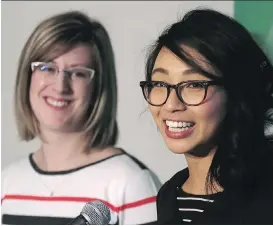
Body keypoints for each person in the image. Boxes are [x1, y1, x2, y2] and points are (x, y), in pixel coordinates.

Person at [1, 10, 161, 225]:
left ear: (98, 87)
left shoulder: (131, 184)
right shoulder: (8, 183)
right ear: (28, 77)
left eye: (78, 73)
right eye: (47, 68)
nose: (60, 86)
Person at [139, 8, 273, 224]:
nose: (171, 104)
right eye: (159, 84)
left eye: (194, 84)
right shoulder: (169, 196)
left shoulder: (264, 194)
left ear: (236, 92)